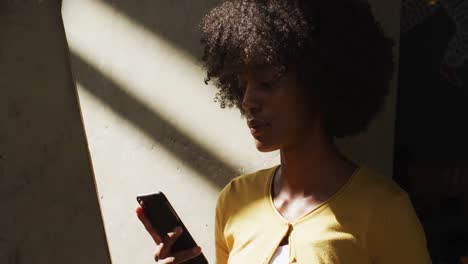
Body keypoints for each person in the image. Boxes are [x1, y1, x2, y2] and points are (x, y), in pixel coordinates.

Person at [136, 0, 432, 263]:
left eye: (266, 83)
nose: (248, 101)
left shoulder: (383, 210)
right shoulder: (235, 201)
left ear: (318, 84)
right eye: (243, 85)